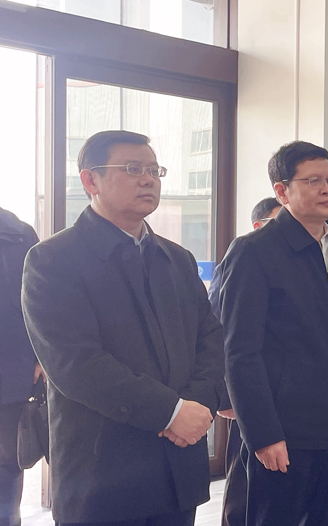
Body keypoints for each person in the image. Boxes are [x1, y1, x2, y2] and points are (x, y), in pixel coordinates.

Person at [21, 130, 226, 525]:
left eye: (154, 170)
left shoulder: (177, 259)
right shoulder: (53, 260)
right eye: (132, 169)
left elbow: (210, 339)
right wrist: (170, 412)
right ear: (90, 180)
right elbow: (75, 364)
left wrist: (198, 404)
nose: (148, 179)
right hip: (102, 472)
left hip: (177, 467)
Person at [219, 141, 328, 526]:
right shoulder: (253, 251)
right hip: (286, 431)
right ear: (282, 191)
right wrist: (262, 433)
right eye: (313, 181)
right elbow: (239, 352)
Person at [208, 195, 281, 526]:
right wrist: (226, 397)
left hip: (284, 398)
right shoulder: (243, 257)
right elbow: (218, 328)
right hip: (247, 394)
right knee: (243, 486)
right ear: (258, 226)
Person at [0, 207, 38, 526]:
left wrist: (41, 357)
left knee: (6, 468)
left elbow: (44, 304)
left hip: (10, 377)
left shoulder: (21, 234)